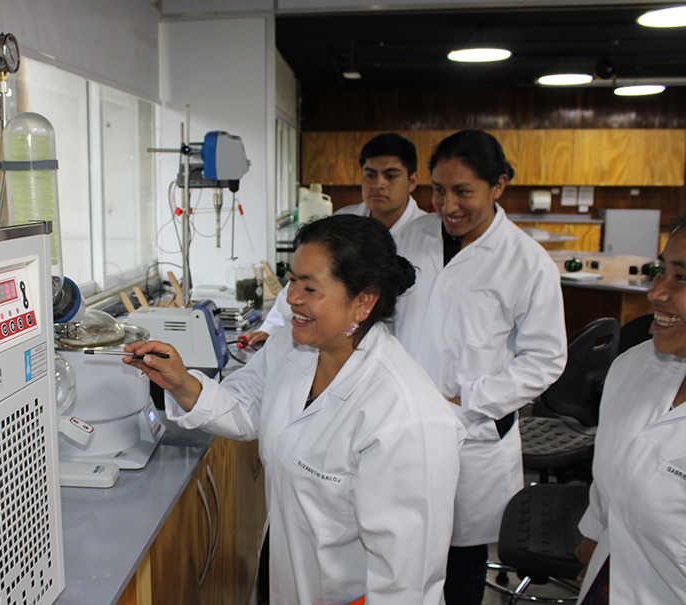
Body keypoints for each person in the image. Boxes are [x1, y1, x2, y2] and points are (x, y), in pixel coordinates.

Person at [124, 214, 464, 605]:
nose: (291, 298)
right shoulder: (291, 346)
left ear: (364, 301)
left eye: (310, 288)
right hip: (286, 574)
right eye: (292, 281)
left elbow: (407, 583)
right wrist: (182, 381)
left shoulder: (406, 415)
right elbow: (248, 406)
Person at [393, 129, 568, 605]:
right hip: (400, 425)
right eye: (437, 190)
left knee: (459, 567)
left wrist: (467, 401)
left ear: (498, 186)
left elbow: (546, 358)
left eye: (463, 191)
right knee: (400, 554)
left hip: (470, 434)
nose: (447, 205)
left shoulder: (528, 263)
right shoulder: (410, 237)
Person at [574, 215, 686, 603]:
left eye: (682, 278)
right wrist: (593, 537)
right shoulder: (633, 367)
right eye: (662, 270)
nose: (656, 292)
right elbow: (611, 483)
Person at [245, 132, 424, 346]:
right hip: (336, 347)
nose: (379, 184)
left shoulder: (427, 236)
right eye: (370, 175)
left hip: (398, 350)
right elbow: (305, 280)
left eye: (391, 175)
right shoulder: (342, 222)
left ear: (412, 181)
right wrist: (271, 328)